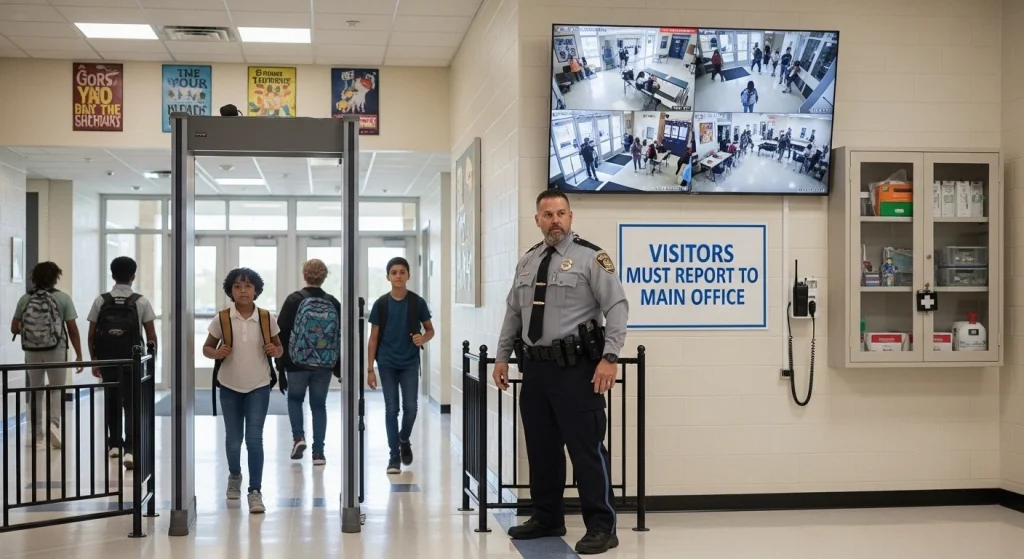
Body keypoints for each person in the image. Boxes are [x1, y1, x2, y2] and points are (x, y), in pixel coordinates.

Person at [493, 190, 629, 555]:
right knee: (541, 449)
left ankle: (602, 526)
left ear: (571, 217)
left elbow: (616, 307)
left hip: (576, 370)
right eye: (548, 214)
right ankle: (547, 517)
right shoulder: (527, 262)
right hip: (535, 369)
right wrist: (502, 356)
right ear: (537, 220)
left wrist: (610, 357)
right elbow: (513, 313)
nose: (555, 220)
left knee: (585, 450)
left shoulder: (591, 258)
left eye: (561, 213)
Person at [202, 267, 283, 514]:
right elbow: (206, 348)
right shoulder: (222, 318)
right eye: (237, 286)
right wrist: (216, 353)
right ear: (231, 290)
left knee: (254, 439)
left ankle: (255, 491)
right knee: (234, 439)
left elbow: (279, 348)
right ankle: (235, 475)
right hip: (229, 385)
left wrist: (274, 350)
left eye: (248, 286)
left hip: (259, 385)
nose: (243, 290)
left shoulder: (267, 317)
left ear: (256, 290)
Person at [87, 256, 158, 469]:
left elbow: (92, 335)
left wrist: (95, 361)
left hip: (109, 360)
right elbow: (151, 335)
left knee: (111, 400)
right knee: (132, 404)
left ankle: (114, 445)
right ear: (133, 276)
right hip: (132, 361)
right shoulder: (141, 301)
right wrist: (152, 361)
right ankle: (130, 450)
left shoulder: (101, 300)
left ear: (112, 275)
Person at [366, 256, 434, 474]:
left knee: (411, 408)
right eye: (393, 272)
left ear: (408, 276)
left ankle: (403, 438)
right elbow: (373, 338)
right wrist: (370, 369)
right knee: (391, 409)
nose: (398, 276)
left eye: (402, 272)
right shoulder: (381, 304)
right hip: (386, 363)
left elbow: (430, 329)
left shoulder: (417, 302)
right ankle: (394, 456)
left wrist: (423, 339)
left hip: (410, 362)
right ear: (388, 276)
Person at [11, 261, 83, 450]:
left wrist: (32, 332)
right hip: (56, 349)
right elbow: (73, 329)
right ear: (55, 278)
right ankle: (54, 426)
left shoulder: (25, 299)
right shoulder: (63, 298)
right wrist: (79, 354)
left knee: (35, 390)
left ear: (34, 278)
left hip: (32, 351)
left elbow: (13, 326)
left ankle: (36, 433)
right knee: (57, 388)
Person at [276, 259, 341, 466]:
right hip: (324, 363)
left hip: (297, 362)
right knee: (319, 405)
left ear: (305, 274)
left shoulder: (293, 300)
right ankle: (319, 453)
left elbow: (281, 334)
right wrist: (337, 365)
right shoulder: (333, 302)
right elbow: (339, 335)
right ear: (324, 276)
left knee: (295, 400)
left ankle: (298, 438)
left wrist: (280, 365)